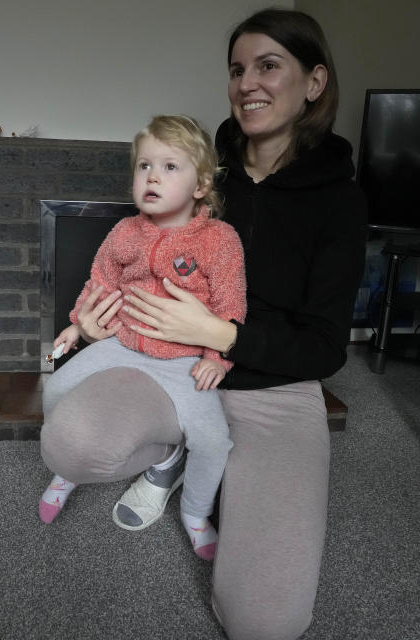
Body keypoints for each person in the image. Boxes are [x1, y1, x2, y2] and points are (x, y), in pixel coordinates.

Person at [39, 8, 367, 640]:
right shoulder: (194, 169)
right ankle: (170, 449)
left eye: (269, 66)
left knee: (265, 623)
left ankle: (192, 463)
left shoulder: (339, 201)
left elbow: (326, 348)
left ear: (315, 82)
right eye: (237, 69)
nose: (248, 83)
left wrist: (223, 337)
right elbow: (119, 263)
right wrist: (89, 323)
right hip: (162, 365)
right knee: (71, 443)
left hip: (275, 390)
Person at [38, 114, 246, 561]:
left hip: (182, 361)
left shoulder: (220, 240)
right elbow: (101, 282)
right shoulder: (124, 232)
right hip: (123, 343)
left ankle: (195, 512)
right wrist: (78, 324)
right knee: (55, 387)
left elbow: (231, 306)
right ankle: (66, 469)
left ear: (200, 185)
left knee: (213, 440)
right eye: (144, 166)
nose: (152, 176)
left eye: (170, 167)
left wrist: (216, 358)